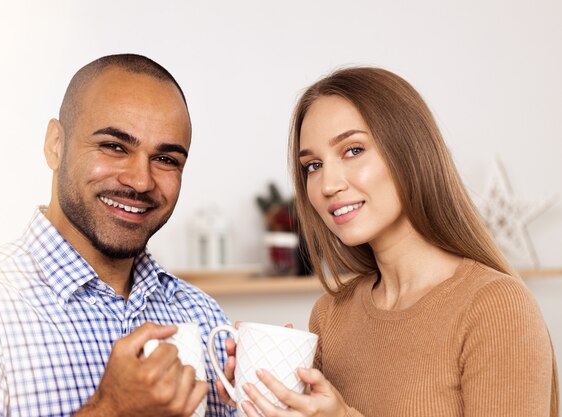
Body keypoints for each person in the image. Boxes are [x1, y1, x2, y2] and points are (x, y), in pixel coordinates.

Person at [217, 67, 559, 417]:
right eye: (313, 165)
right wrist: (265, 399)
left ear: (410, 153)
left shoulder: (496, 306)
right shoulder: (331, 316)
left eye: (352, 150)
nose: (327, 184)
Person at [0, 54, 235, 417]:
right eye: (114, 146)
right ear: (55, 145)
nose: (141, 181)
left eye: (166, 160)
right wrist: (111, 409)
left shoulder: (202, 314)